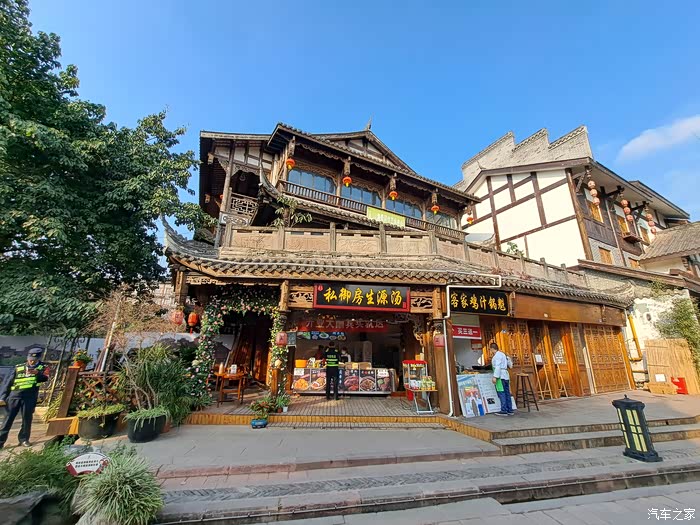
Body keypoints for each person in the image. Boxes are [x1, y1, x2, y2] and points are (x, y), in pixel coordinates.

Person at [0, 348, 49, 449]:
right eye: (30, 359)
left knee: (27, 419)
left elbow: (45, 378)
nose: (32, 362)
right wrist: (2, 397)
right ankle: (0, 441)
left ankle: (24, 439)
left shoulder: (43, 367)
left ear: (38, 358)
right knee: (7, 419)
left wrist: (37, 374)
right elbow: (7, 383)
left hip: (29, 397)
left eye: (34, 360)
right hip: (14, 397)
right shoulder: (18, 367)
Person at [490, 343, 513, 416]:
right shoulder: (503, 354)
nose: (490, 351)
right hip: (506, 375)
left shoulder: (497, 356)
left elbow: (498, 366)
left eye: (490, 349)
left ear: (492, 349)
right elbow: (510, 365)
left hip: (500, 376)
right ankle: (510, 409)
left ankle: (504, 410)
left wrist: (495, 377)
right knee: (507, 393)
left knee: (501, 393)